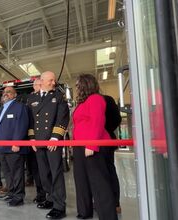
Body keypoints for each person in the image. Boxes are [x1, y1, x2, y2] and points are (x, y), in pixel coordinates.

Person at [72, 74, 118, 220]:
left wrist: (92, 144)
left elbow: (97, 121)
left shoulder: (96, 99)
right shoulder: (82, 102)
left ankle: (108, 216)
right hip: (79, 146)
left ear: (86, 85)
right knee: (81, 182)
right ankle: (84, 213)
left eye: (78, 85)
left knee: (99, 184)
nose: (77, 87)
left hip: (93, 145)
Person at [27, 71, 69, 219]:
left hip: (52, 142)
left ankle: (59, 207)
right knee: (44, 174)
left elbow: (63, 117)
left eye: (54, 80)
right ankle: (50, 199)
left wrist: (55, 137)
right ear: (42, 81)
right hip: (38, 142)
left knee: (56, 173)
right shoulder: (32, 98)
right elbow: (30, 120)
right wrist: (31, 138)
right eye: (50, 80)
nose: (53, 83)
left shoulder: (58, 96)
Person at [0, 86, 29, 206]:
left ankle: (19, 197)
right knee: (7, 173)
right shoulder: (2, 108)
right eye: (4, 92)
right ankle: (12, 193)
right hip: (2, 147)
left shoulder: (20, 107)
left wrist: (17, 142)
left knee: (17, 173)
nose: (6, 94)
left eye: (9, 92)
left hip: (14, 147)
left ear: (15, 95)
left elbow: (22, 125)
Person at [25, 78, 46, 204]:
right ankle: (41, 194)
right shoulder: (30, 99)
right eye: (38, 84)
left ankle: (50, 194)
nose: (40, 86)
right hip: (32, 139)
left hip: (46, 139)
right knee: (35, 168)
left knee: (46, 169)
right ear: (34, 86)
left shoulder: (50, 97)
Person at [102, 95, 122, 213]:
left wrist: (104, 129)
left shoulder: (106, 99)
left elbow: (116, 119)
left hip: (105, 141)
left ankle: (115, 203)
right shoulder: (108, 99)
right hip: (104, 139)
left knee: (109, 171)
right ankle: (111, 203)